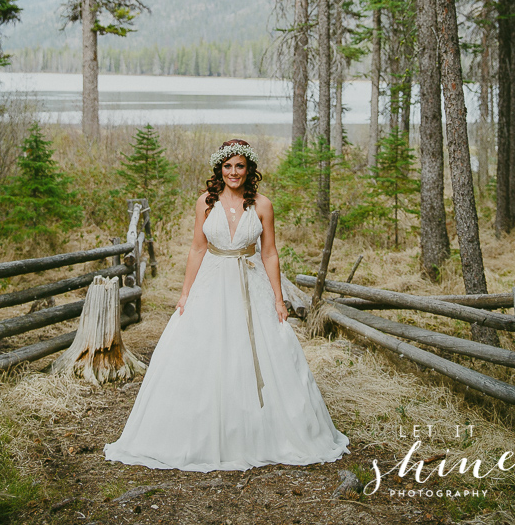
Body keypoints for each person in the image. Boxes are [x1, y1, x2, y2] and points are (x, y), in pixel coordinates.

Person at [104, 139, 349, 471]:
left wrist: (279, 298)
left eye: (240, 166)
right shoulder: (205, 202)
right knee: (208, 350)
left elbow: (270, 253)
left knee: (259, 351)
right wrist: (185, 292)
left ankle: (261, 431)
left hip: (251, 283)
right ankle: (205, 430)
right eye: (228, 166)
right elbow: (196, 249)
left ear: (249, 169)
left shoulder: (262, 205)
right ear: (219, 169)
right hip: (212, 281)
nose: (234, 172)